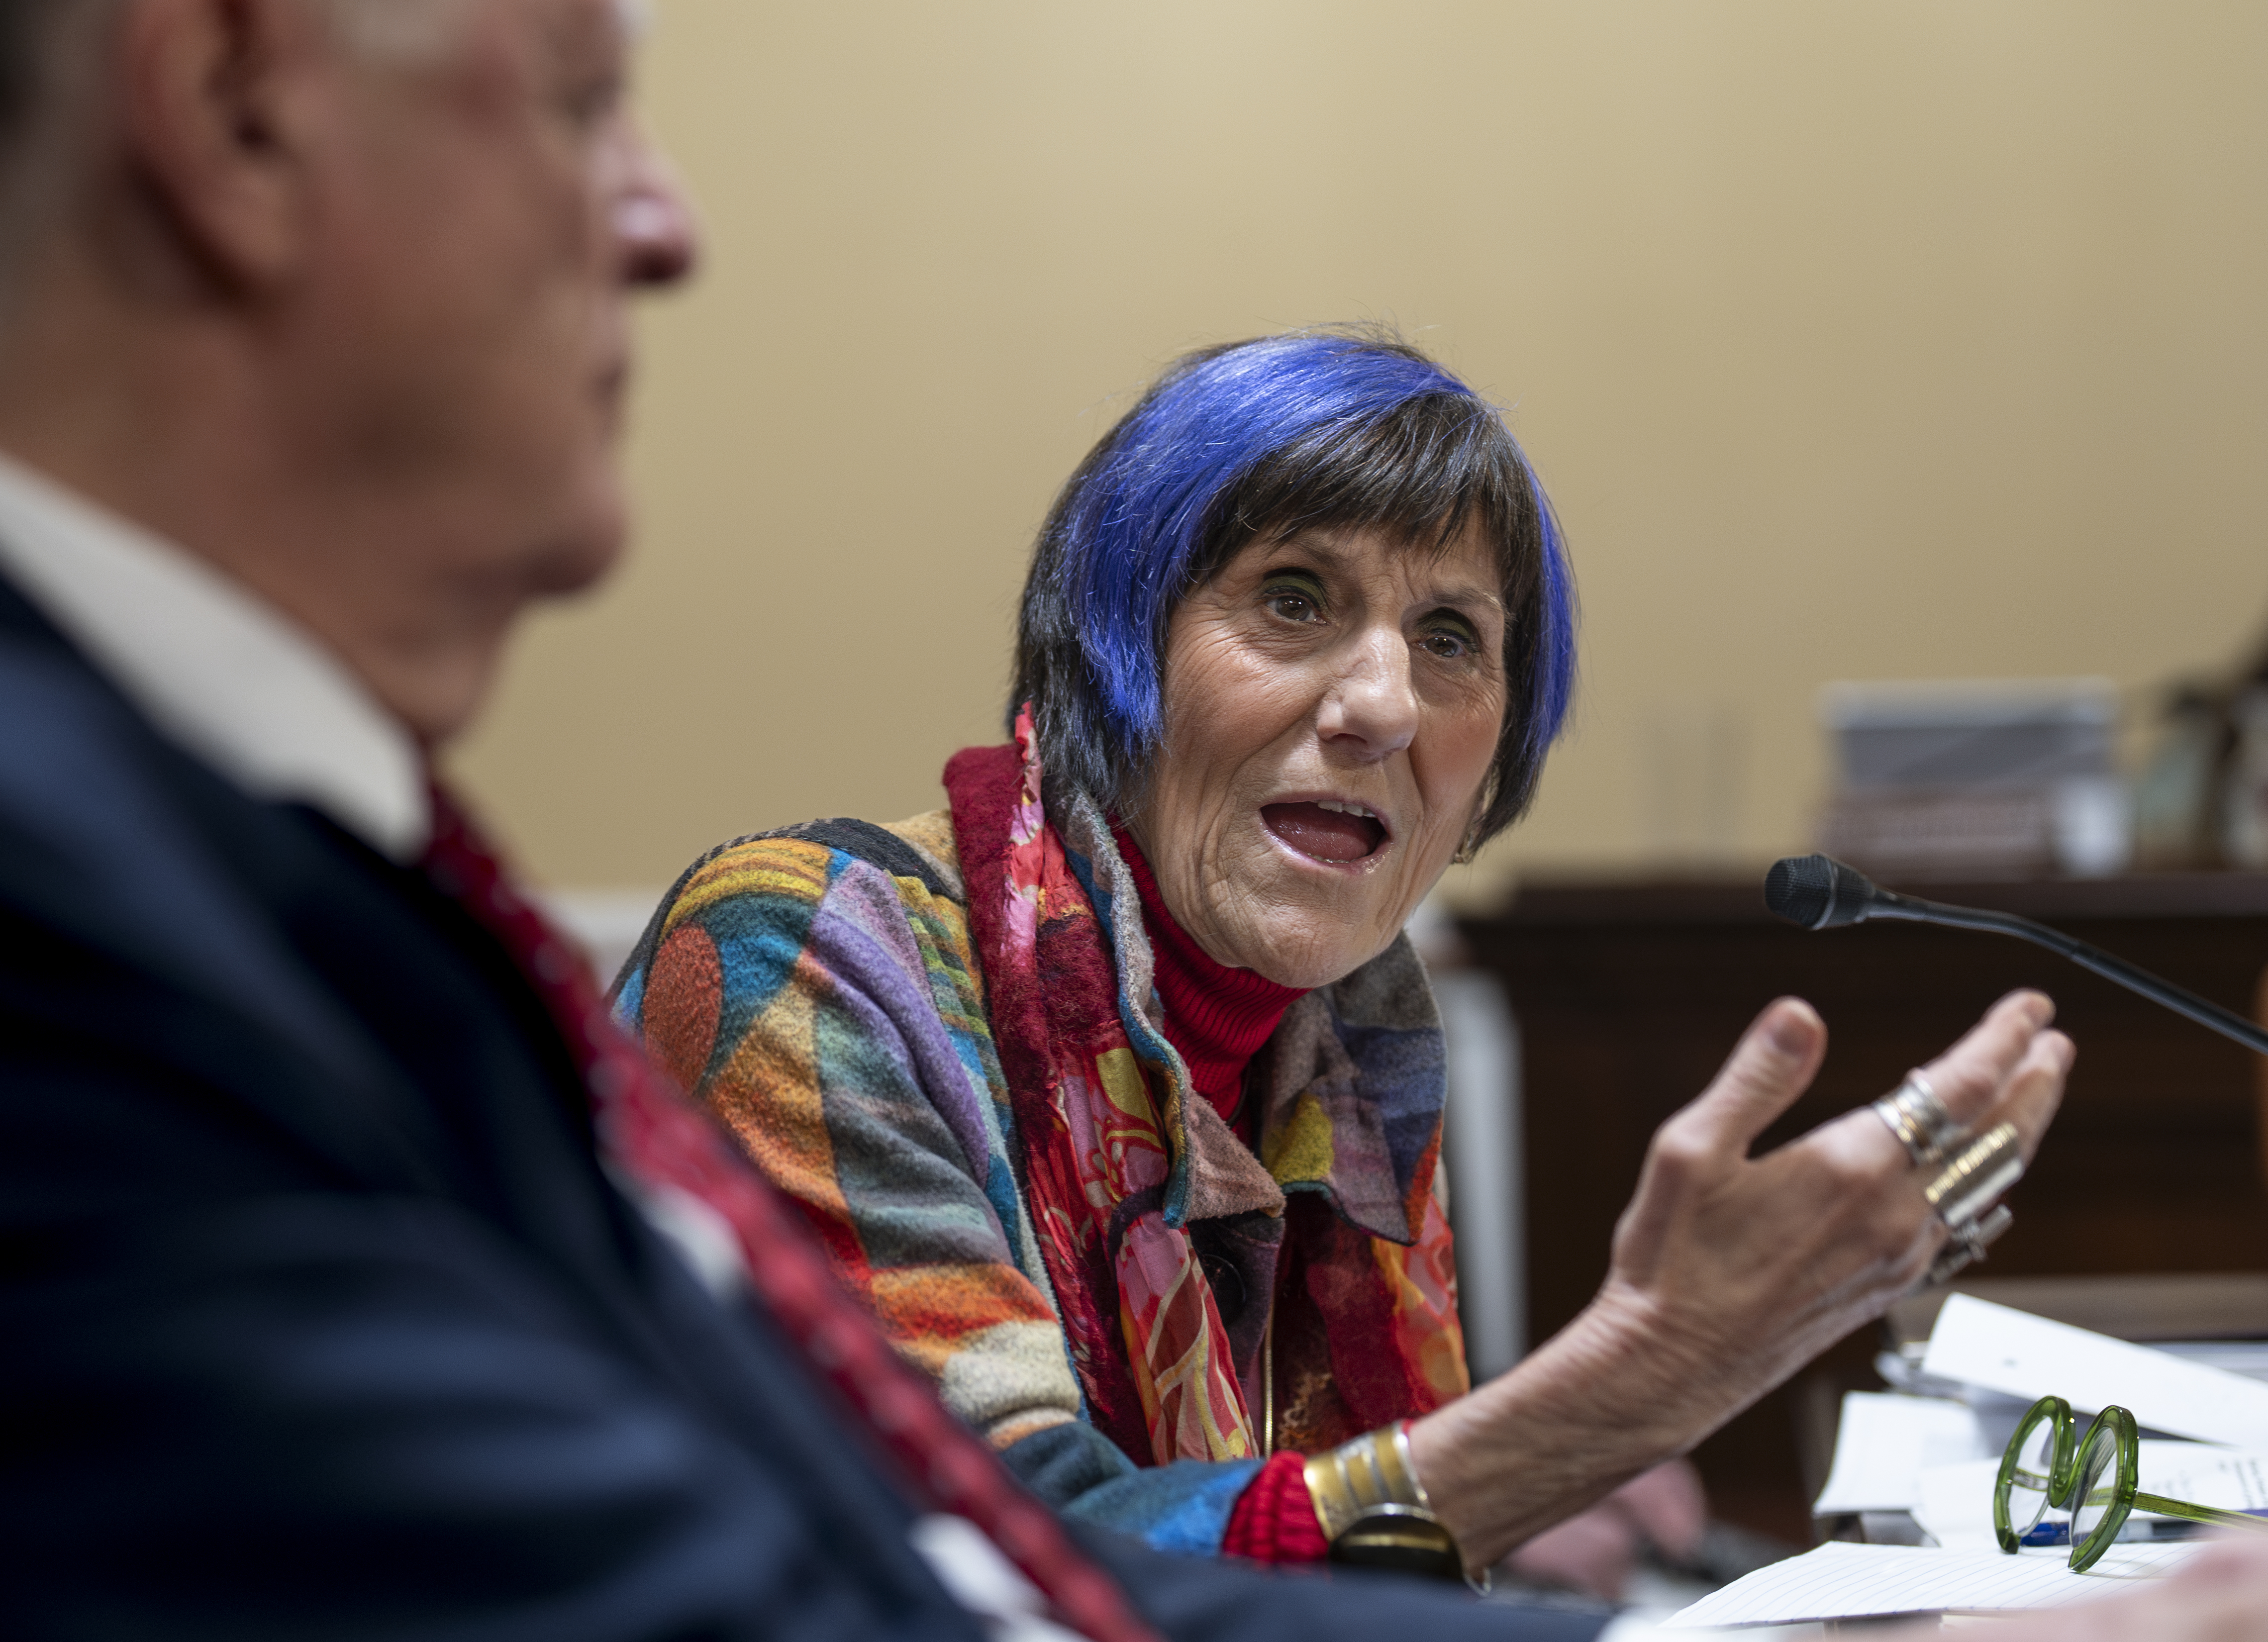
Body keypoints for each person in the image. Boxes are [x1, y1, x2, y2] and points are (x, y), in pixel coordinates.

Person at [0, 3, 1616, 1639]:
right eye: (580, 105)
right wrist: (1587, 1421)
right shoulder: (96, 914)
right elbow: (933, 1573)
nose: (668, 223)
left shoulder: (1353, 1034)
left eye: (1454, 642)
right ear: (224, 101)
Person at [616, 330, 2072, 1584]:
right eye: (1294, 598)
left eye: (1452, 637)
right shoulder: (803, 962)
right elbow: (999, 1568)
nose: (1382, 702)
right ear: (1115, 646)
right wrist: (1624, 1394)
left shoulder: (1350, 1035)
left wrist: (1544, 1471)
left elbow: (1355, 1520)